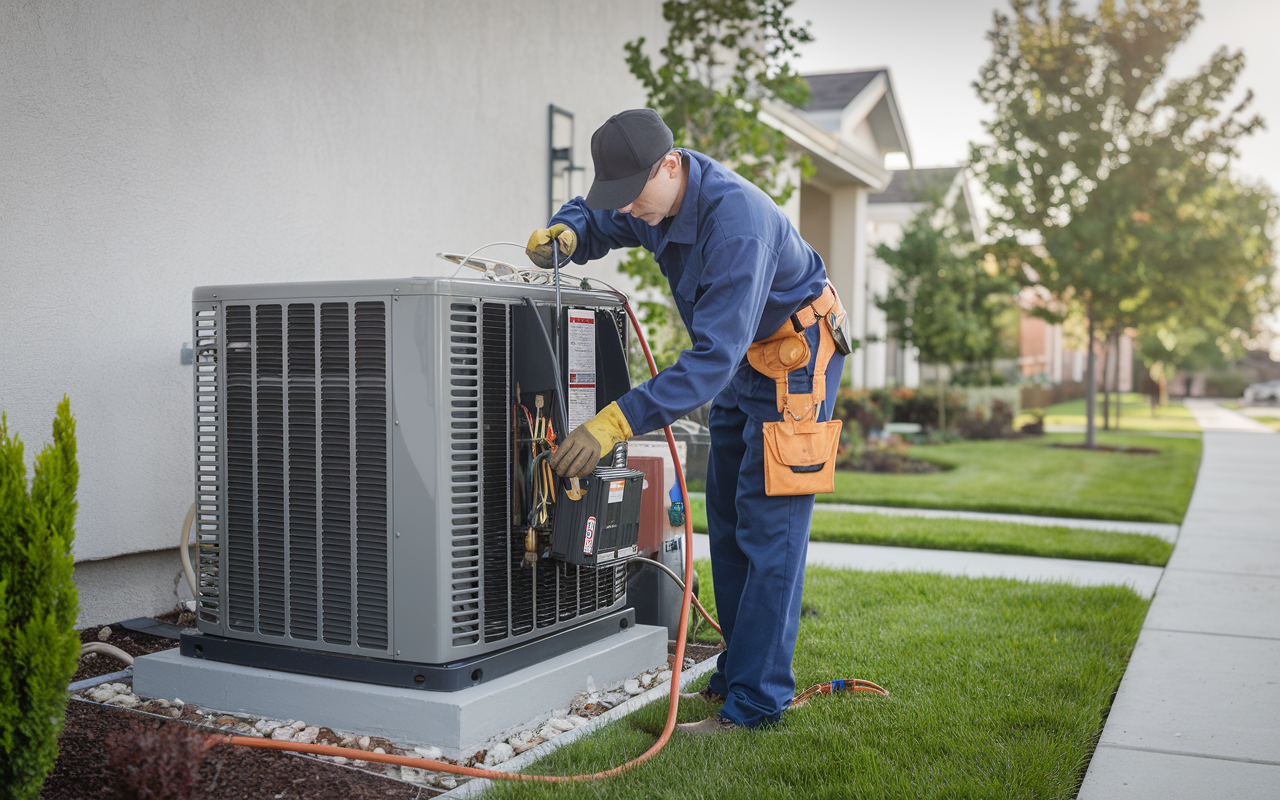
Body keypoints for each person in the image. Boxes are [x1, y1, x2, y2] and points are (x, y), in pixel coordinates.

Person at [528, 109, 845, 734]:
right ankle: (735, 673)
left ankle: (756, 706)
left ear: (670, 165)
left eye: (634, 196)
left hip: (795, 364)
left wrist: (615, 423)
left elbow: (709, 364)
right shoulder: (656, 199)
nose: (629, 210)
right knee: (727, 523)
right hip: (743, 360)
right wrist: (565, 233)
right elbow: (598, 218)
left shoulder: (737, 226)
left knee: (769, 537)